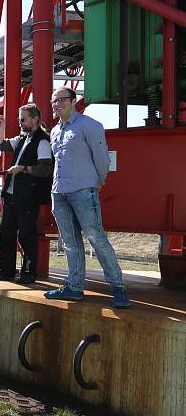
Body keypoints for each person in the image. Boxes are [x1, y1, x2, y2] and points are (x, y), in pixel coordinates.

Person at [44, 87, 130, 308]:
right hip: (59, 192)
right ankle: (74, 287)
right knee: (70, 242)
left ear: (74, 102)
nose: (57, 104)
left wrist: (99, 182)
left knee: (96, 238)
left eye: (62, 100)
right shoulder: (54, 131)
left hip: (83, 190)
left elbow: (102, 159)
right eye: (54, 101)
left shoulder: (90, 126)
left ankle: (118, 287)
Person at [0, 104, 53, 284]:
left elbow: (46, 168)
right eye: (19, 119)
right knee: (6, 233)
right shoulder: (22, 139)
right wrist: (1, 127)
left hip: (28, 197)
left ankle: (29, 273)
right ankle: (6, 271)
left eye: (23, 119)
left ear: (35, 119)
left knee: (26, 235)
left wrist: (23, 168)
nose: (20, 122)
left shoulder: (43, 141)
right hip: (12, 196)